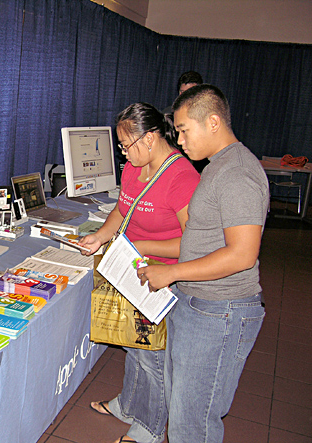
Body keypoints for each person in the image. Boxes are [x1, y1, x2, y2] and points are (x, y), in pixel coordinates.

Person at [139, 84, 269, 442]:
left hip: (220, 311)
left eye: (183, 129)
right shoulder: (217, 166)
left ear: (212, 122)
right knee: (181, 407)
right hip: (199, 304)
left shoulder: (237, 173)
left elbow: (242, 254)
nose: (179, 140)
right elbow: (203, 239)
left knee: (192, 421)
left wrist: (173, 272)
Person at [79, 103, 200, 443]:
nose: (123, 154)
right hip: (134, 269)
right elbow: (123, 209)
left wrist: (146, 247)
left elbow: (192, 243)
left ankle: (148, 428)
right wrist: (101, 236)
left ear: (150, 138)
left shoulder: (182, 177)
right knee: (133, 345)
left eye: (126, 146)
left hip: (162, 277)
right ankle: (129, 405)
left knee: (152, 356)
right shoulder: (135, 167)